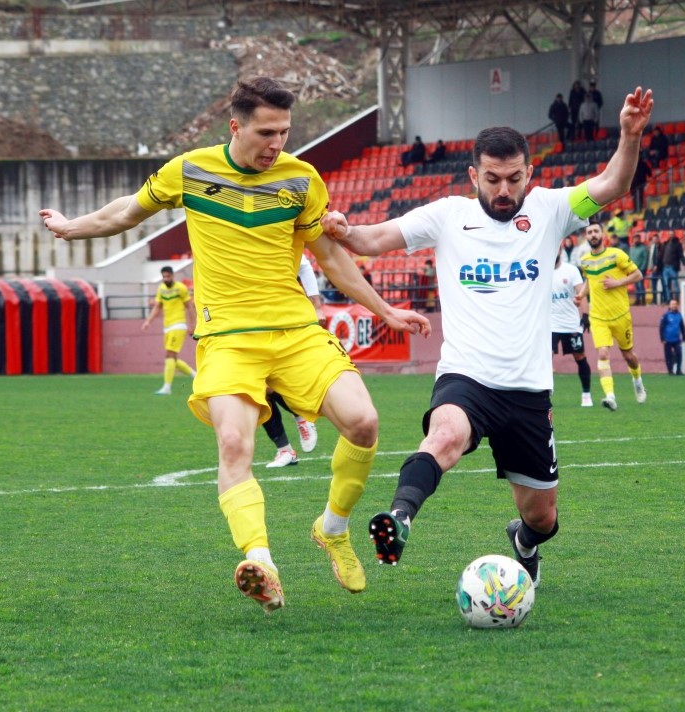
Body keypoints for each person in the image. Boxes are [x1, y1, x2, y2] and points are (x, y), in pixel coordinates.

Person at [39, 77, 431, 613]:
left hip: (295, 331)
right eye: (266, 132)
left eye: (285, 132)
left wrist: (385, 309)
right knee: (234, 444)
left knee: (364, 422)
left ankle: (332, 527)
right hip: (226, 337)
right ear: (236, 126)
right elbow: (125, 212)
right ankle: (261, 561)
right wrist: (69, 227)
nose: (277, 143)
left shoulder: (301, 179)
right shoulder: (191, 170)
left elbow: (332, 258)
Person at [321, 87, 655, 585]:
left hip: (527, 390)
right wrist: (343, 228)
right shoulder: (447, 215)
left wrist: (629, 135)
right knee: (445, 435)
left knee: (542, 517)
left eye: (514, 179)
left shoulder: (551, 208)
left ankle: (523, 541)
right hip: (466, 376)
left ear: (529, 175)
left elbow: (612, 184)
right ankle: (399, 518)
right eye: (493, 179)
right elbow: (370, 241)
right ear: (474, 175)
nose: (504, 190)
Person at [578, 223, 647, 411]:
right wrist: (581, 295)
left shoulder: (617, 255)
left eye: (596, 231)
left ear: (603, 235)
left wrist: (618, 282)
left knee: (628, 356)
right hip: (598, 317)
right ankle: (610, 396)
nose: (593, 235)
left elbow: (638, 275)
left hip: (620, 315)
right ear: (587, 237)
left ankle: (637, 380)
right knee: (602, 353)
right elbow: (589, 280)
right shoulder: (584, 260)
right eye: (589, 232)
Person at [264, 254, 324, 468]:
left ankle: (300, 415)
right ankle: (285, 450)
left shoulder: (270, 232)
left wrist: (316, 304)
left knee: (268, 386)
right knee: (258, 390)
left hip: (283, 318)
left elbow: (304, 265)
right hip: (249, 321)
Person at [142, 265, 197, 395]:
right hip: (167, 327)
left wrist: (193, 325)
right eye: (164, 276)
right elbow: (157, 307)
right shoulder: (161, 289)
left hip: (178, 325)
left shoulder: (180, 288)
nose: (166, 279)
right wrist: (148, 321)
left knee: (169, 355)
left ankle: (167, 387)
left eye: (168, 276)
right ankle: (195, 375)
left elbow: (189, 307)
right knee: (172, 358)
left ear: (172, 276)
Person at [550, 252, 593, 407]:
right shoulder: (541, 269)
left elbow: (581, 294)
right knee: (545, 358)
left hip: (570, 323)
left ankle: (586, 394)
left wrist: (586, 315)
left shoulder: (571, 270)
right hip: (550, 324)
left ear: (560, 251)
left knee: (579, 356)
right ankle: (546, 391)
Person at [659, 298, 685, 375]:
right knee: (668, 355)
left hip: (676, 339)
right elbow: (661, 327)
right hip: (668, 339)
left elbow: (682, 326)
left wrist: (684, 336)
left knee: (679, 353)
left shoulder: (679, 315)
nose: (674, 305)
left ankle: (678, 370)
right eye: (672, 304)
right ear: (670, 306)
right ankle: (670, 370)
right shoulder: (666, 315)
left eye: (675, 304)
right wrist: (662, 338)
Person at [660, 230, 685, 300]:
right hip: (665, 267)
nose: (671, 235)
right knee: (666, 284)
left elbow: (681, 254)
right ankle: (668, 299)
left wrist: (684, 264)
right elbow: (661, 255)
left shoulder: (677, 244)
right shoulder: (665, 244)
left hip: (673, 267)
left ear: (674, 235)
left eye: (672, 234)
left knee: (675, 284)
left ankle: (676, 298)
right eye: (670, 234)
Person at [628, 233, 649, 306]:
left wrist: (642, 268)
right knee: (636, 286)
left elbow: (645, 259)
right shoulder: (632, 248)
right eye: (634, 239)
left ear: (640, 239)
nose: (636, 240)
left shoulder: (643, 248)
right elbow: (630, 258)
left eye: (637, 238)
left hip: (640, 270)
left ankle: (643, 300)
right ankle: (637, 299)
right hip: (633, 270)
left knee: (640, 285)